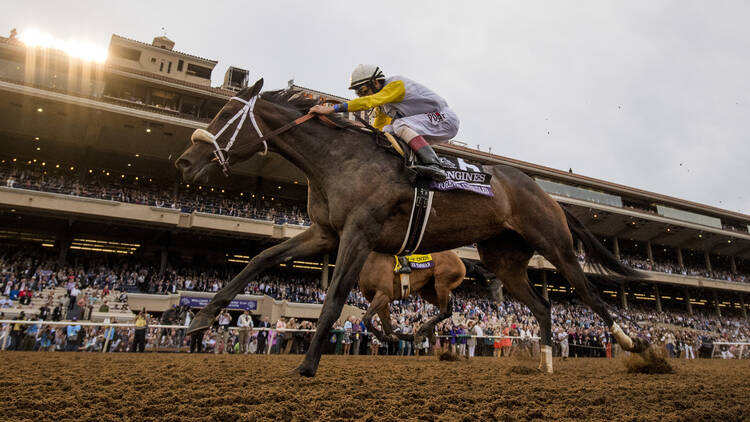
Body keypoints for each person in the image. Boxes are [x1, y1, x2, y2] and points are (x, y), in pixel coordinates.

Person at [310, 64, 459, 182]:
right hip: (432, 122)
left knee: (399, 125)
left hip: (445, 118)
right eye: (358, 93)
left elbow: (368, 102)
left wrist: (330, 110)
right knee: (388, 130)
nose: (361, 95)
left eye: (362, 90)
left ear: (375, 82)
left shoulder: (395, 85)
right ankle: (411, 166)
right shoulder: (383, 103)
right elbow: (378, 129)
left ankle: (434, 164)